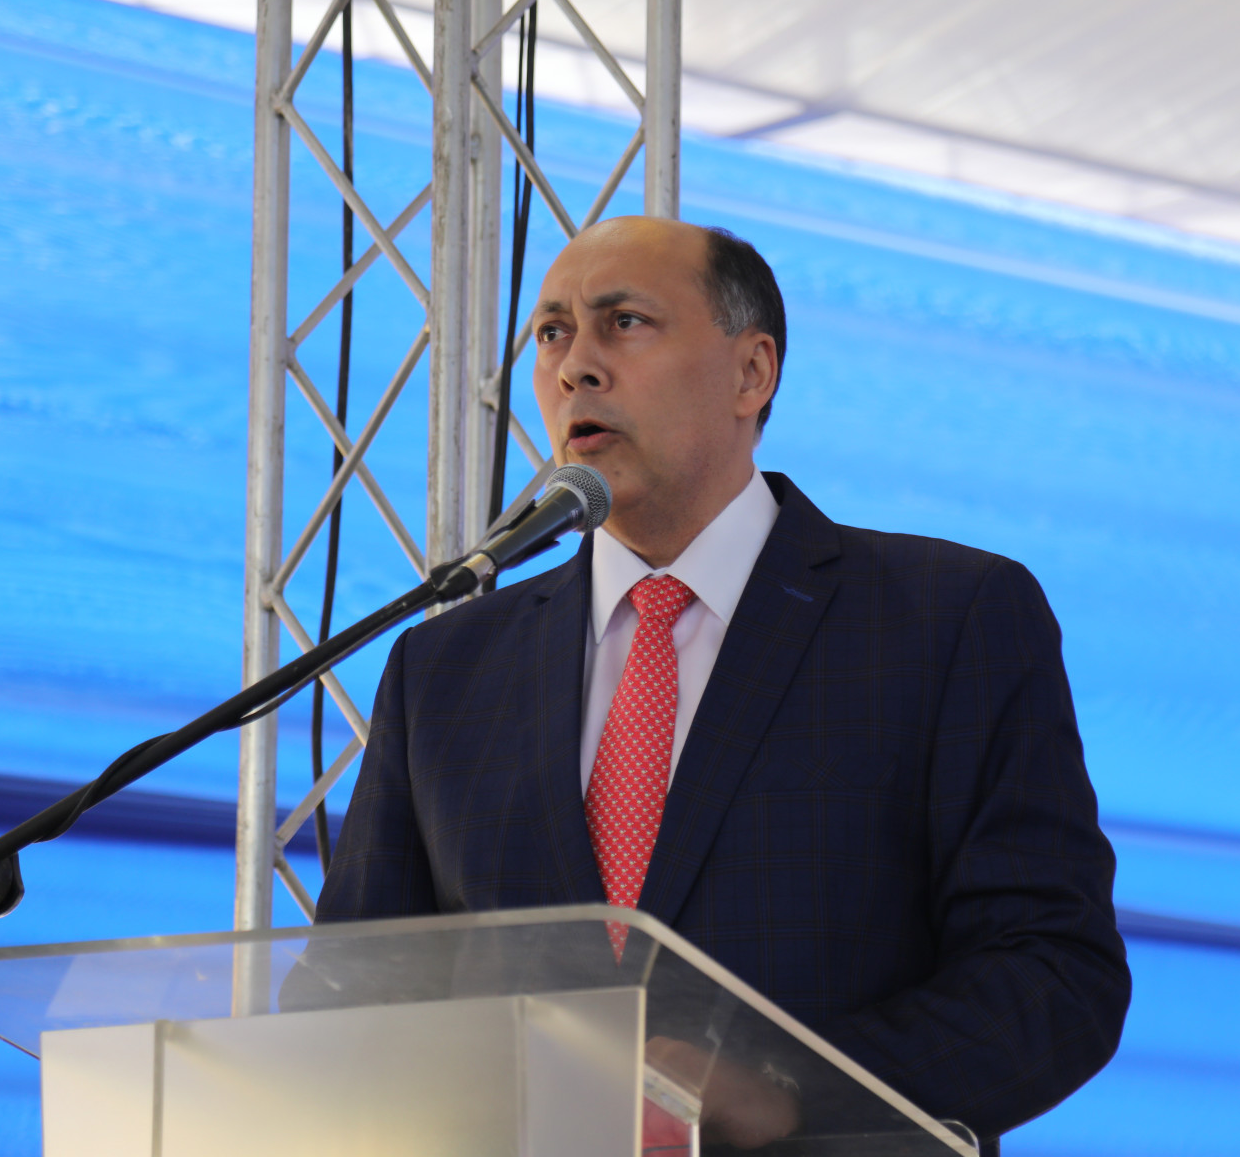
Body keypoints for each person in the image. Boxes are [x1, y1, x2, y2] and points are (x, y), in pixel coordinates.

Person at [317, 217, 1129, 1148]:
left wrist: (788, 1087)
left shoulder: (944, 618)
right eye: (551, 334)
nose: (575, 367)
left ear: (752, 372)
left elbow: (1052, 975)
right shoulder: (447, 668)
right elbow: (349, 996)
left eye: (624, 323)